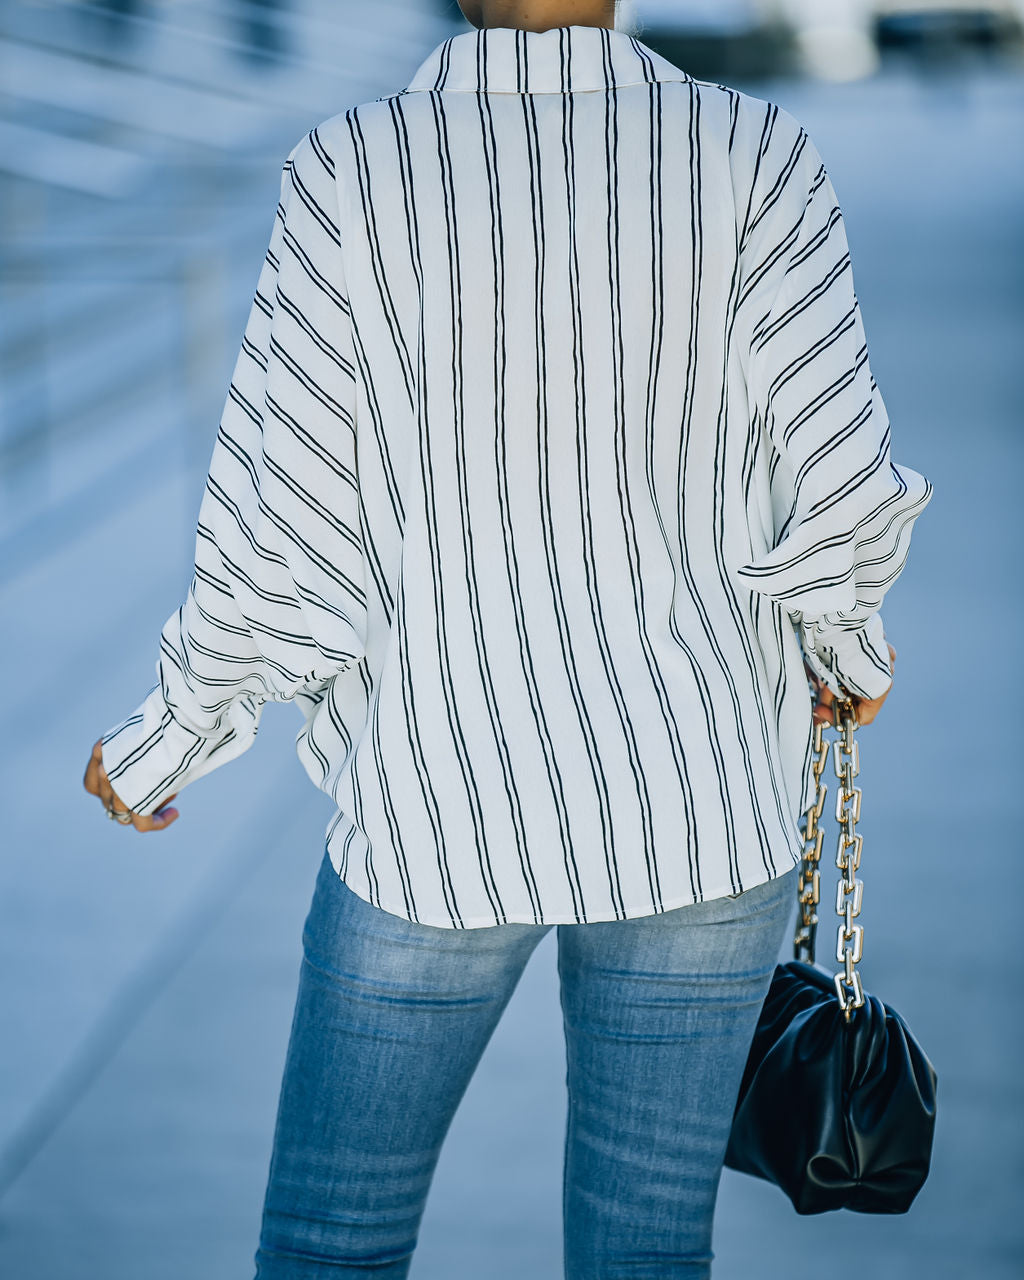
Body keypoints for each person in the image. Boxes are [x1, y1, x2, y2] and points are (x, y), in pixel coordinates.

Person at [83, 0, 933, 1274]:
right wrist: (844, 646)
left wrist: (171, 736)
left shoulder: (352, 171)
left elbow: (284, 521)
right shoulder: (752, 155)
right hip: (700, 802)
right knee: (644, 1243)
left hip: (434, 806)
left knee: (330, 1237)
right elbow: (846, 481)